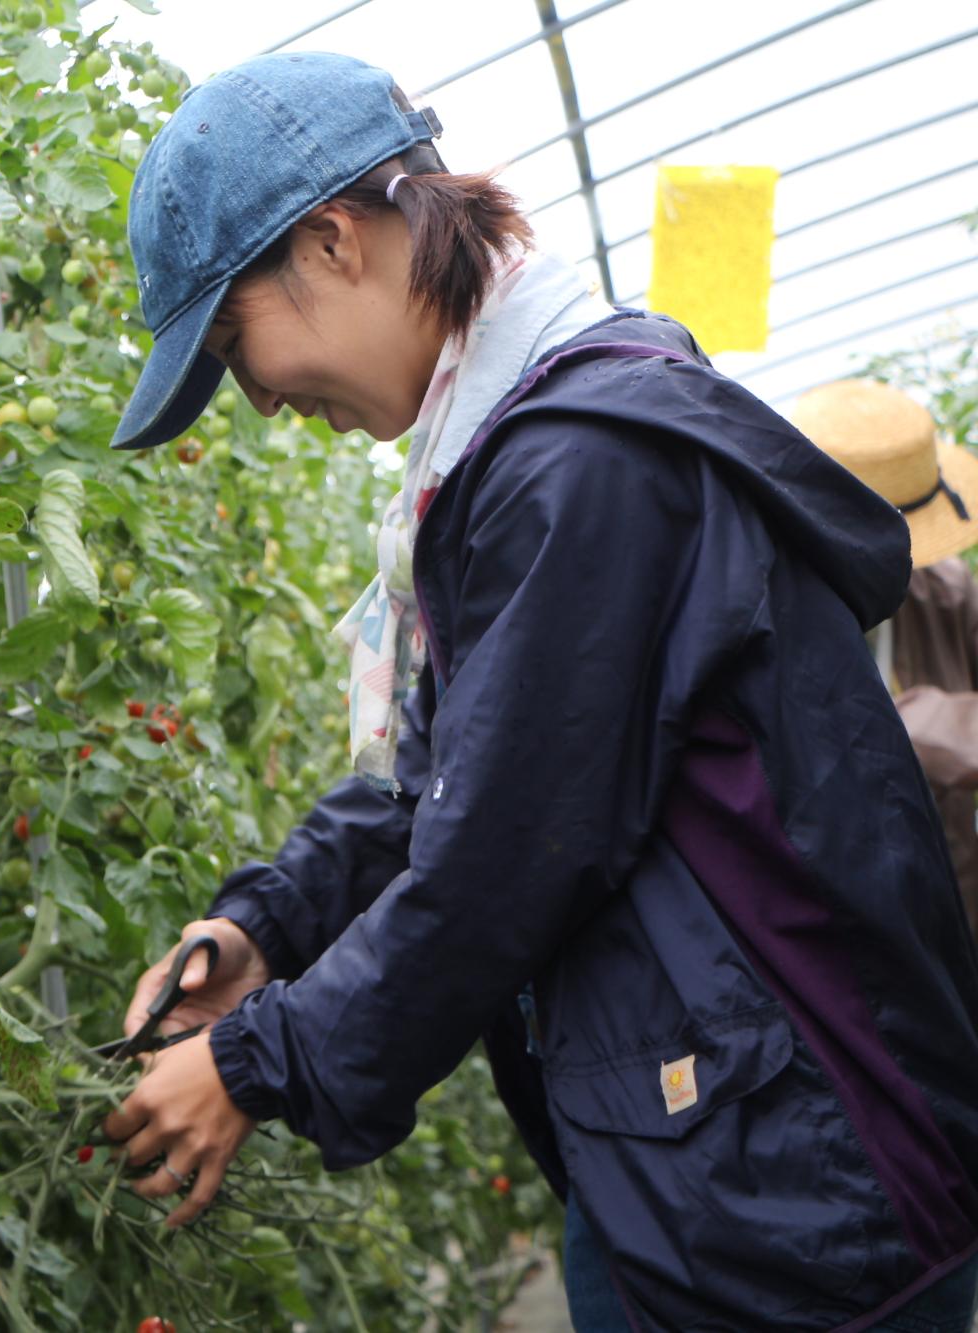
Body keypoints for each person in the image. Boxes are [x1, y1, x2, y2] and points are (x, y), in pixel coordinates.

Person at [97, 51, 978, 1333]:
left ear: (335, 243)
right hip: (705, 1153)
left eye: (235, 346)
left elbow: (501, 853)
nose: (263, 399)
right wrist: (268, 926)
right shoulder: (509, 455)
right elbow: (444, 784)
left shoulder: (579, 469)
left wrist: (249, 1062)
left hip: (796, 1191)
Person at [790, 378, 978, 949]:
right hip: (847, 935)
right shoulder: (770, 624)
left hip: (960, 898)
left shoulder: (943, 593)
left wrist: (930, 722)